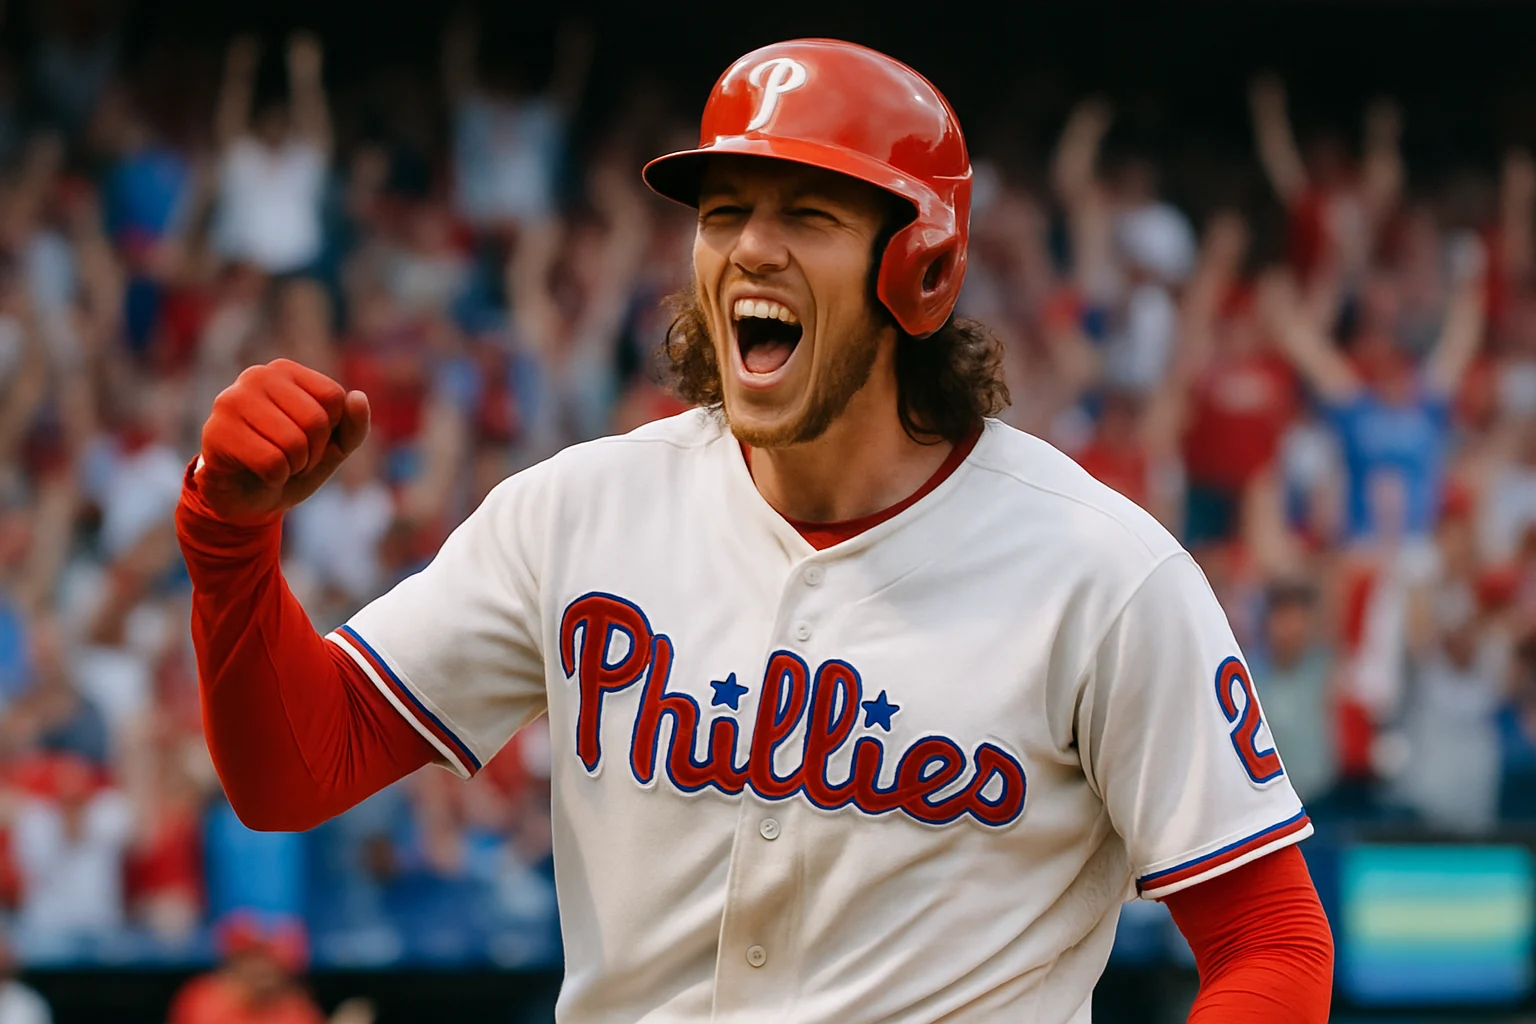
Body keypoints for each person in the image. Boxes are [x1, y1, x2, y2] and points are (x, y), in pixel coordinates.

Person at [176, 41, 1331, 1022]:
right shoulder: (577, 510)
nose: (750, 248)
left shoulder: (1102, 573)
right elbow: (293, 766)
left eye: (808, 214)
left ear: (918, 269)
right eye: (724, 212)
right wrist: (229, 544)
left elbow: (1274, 942)